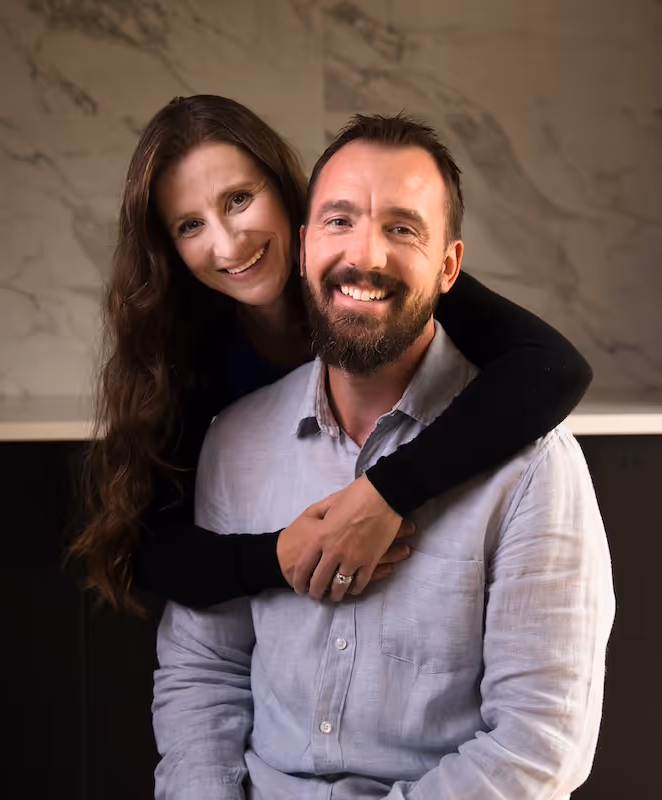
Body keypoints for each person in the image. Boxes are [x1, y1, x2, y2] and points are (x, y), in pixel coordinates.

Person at [152, 114, 615, 799]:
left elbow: (538, 744)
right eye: (339, 220)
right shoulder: (229, 431)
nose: (365, 253)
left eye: (402, 228)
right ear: (307, 245)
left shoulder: (534, 469)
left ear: (449, 266)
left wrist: (389, 490)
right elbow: (201, 671)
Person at [70, 95, 592, 614]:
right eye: (190, 225)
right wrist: (284, 556)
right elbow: (149, 551)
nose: (228, 246)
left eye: (238, 200)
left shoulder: (367, 277)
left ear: (284, 191)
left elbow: (553, 367)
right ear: (170, 250)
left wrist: (384, 494)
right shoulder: (185, 348)